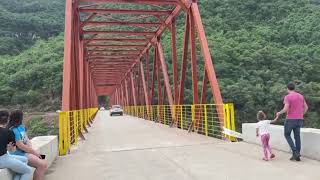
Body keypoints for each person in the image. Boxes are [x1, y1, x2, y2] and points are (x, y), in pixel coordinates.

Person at [8, 110, 47, 180]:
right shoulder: (13, 130)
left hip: (26, 152)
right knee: (42, 165)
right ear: (19, 118)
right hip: (18, 154)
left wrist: (31, 149)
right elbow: (21, 145)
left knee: (43, 160)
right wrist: (35, 153)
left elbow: (27, 140)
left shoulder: (21, 127)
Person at [276, 83, 308, 161]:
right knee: (297, 137)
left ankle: (295, 152)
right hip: (299, 119)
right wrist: (301, 114)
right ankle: (297, 154)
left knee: (287, 134)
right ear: (294, 88)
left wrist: (279, 113)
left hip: (290, 119)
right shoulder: (301, 96)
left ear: (287, 88)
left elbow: (286, 108)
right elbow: (306, 107)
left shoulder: (287, 97)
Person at [0, 109, 32, 180]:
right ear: (8, 119)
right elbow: (12, 150)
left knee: (24, 159)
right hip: (3, 159)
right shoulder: (8, 132)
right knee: (28, 171)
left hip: (4, 157)